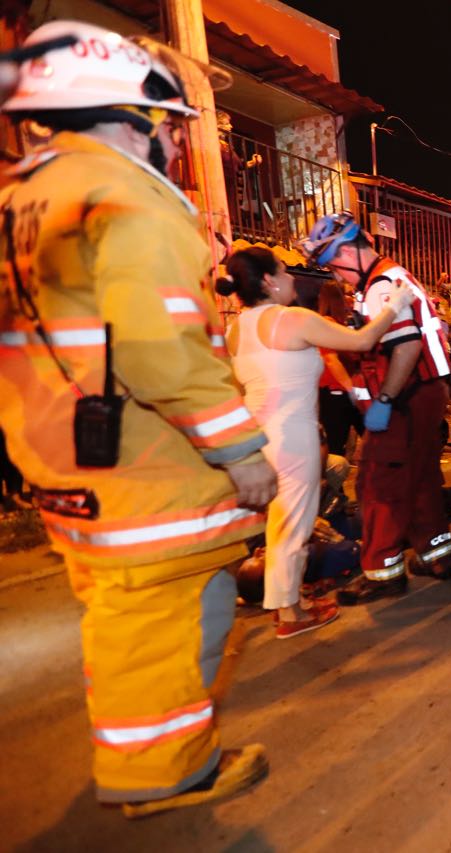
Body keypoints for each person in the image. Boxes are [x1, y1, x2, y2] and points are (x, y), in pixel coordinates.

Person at [0, 21, 275, 815]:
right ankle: (165, 773)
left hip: (63, 462)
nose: (167, 146)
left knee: (120, 616)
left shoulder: (20, 200)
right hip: (147, 467)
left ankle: (140, 761)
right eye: (163, 129)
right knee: (175, 617)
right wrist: (242, 452)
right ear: (130, 119)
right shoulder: (125, 197)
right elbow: (161, 346)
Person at [222, 247, 412, 636]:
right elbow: (361, 341)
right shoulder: (291, 319)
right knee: (295, 524)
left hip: (258, 435)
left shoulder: (235, 329)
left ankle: (288, 600)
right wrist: (397, 304)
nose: (293, 279)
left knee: (281, 522)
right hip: (292, 434)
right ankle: (290, 614)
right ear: (269, 281)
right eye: (284, 272)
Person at [302, 212, 451, 604]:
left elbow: (405, 346)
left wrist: (384, 401)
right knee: (421, 477)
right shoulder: (395, 276)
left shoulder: (381, 285)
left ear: (347, 251)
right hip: (425, 391)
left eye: (332, 264)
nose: (336, 275)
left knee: (377, 482)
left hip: (406, 396)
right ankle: (436, 555)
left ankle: (382, 569)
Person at [315, 280, 365, 457]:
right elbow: (331, 360)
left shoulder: (336, 322)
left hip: (340, 392)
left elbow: (334, 359)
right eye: (348, 294)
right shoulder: (331, 323)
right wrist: (352, 390)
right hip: (339, 392)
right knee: (336, 448)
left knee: (337, 447)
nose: (351, 299)